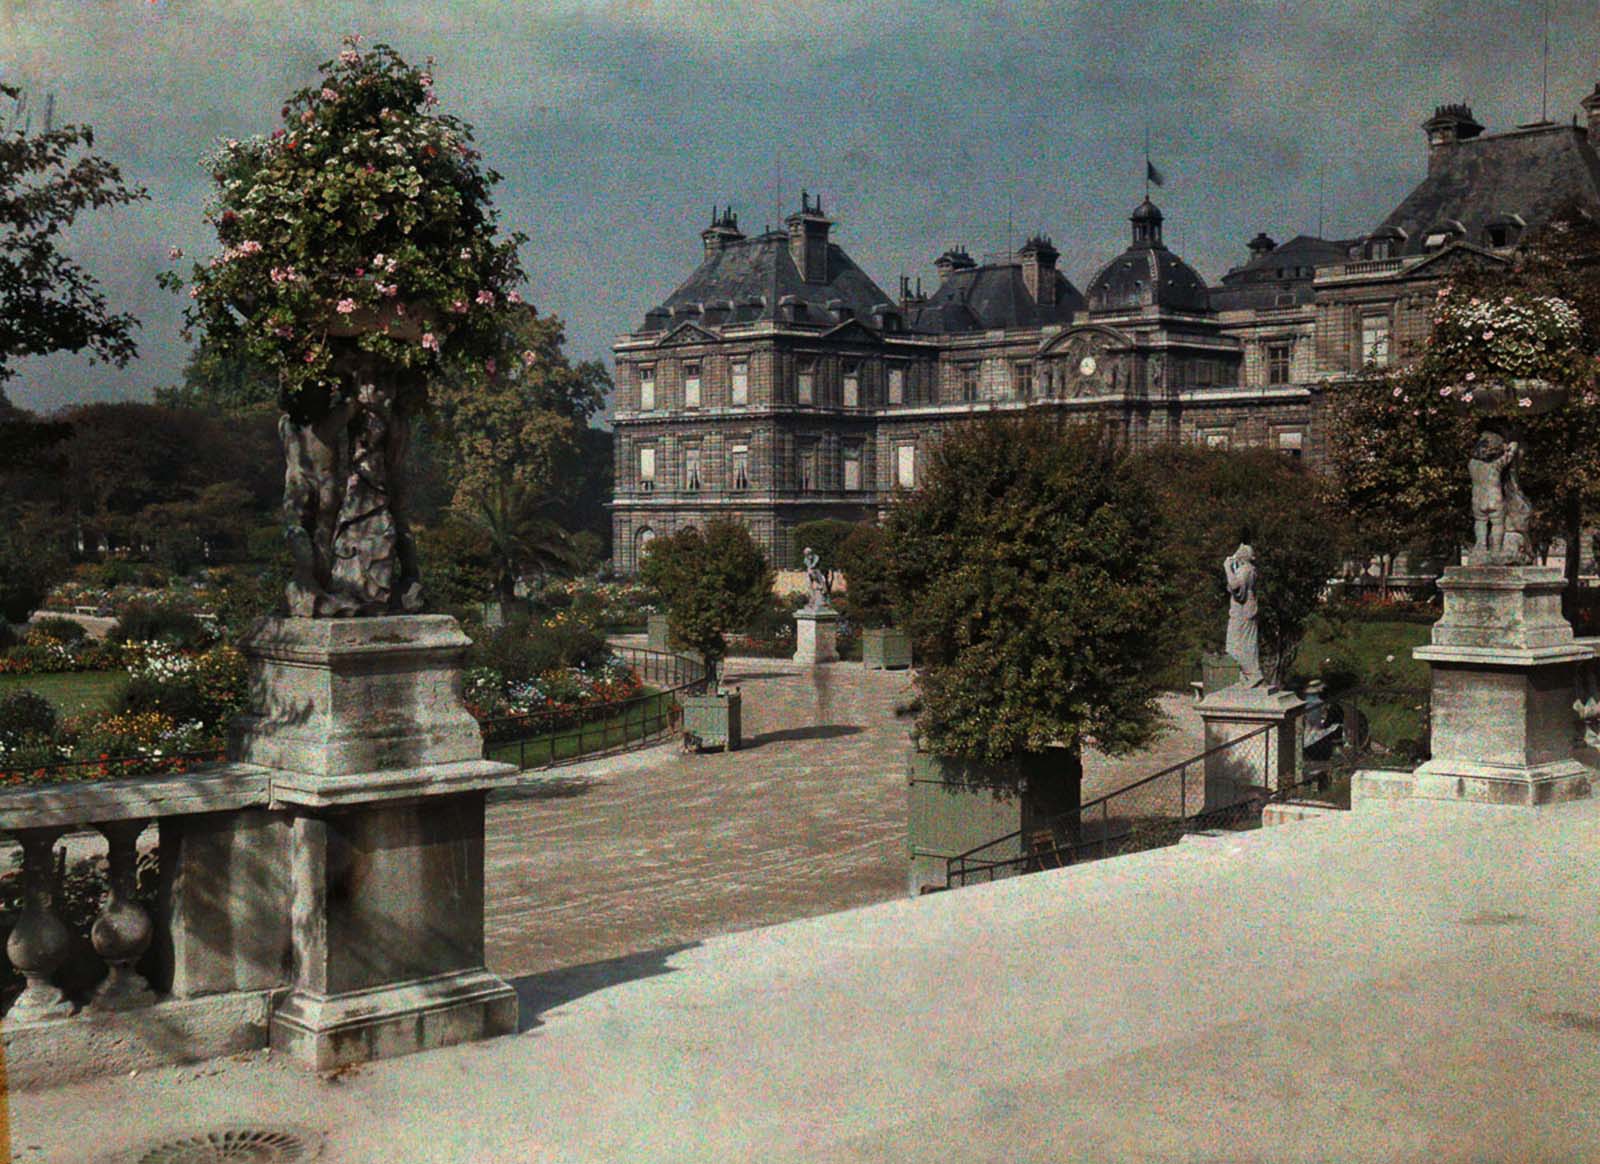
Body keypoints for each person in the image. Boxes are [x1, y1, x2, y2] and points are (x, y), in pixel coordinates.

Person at [1469, 430, 1519, 561]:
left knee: (1480, 522)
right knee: (1497, 523)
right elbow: (1508, 457)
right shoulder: (1495, 465)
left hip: (1477, 498)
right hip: (1494, 497)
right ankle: (1496, 550)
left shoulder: (1472, 464)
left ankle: (1481, 547)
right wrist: (1513, 446)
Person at [1224, 542, 1263, 688]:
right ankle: (1245, 675)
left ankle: (1252, 674)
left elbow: (1235, 587)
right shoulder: (1249, 569)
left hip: (1242, 612)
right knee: (1243, 642)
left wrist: (1227, 568)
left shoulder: (1245, 570)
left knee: (1237, 643)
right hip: (1245, 610)